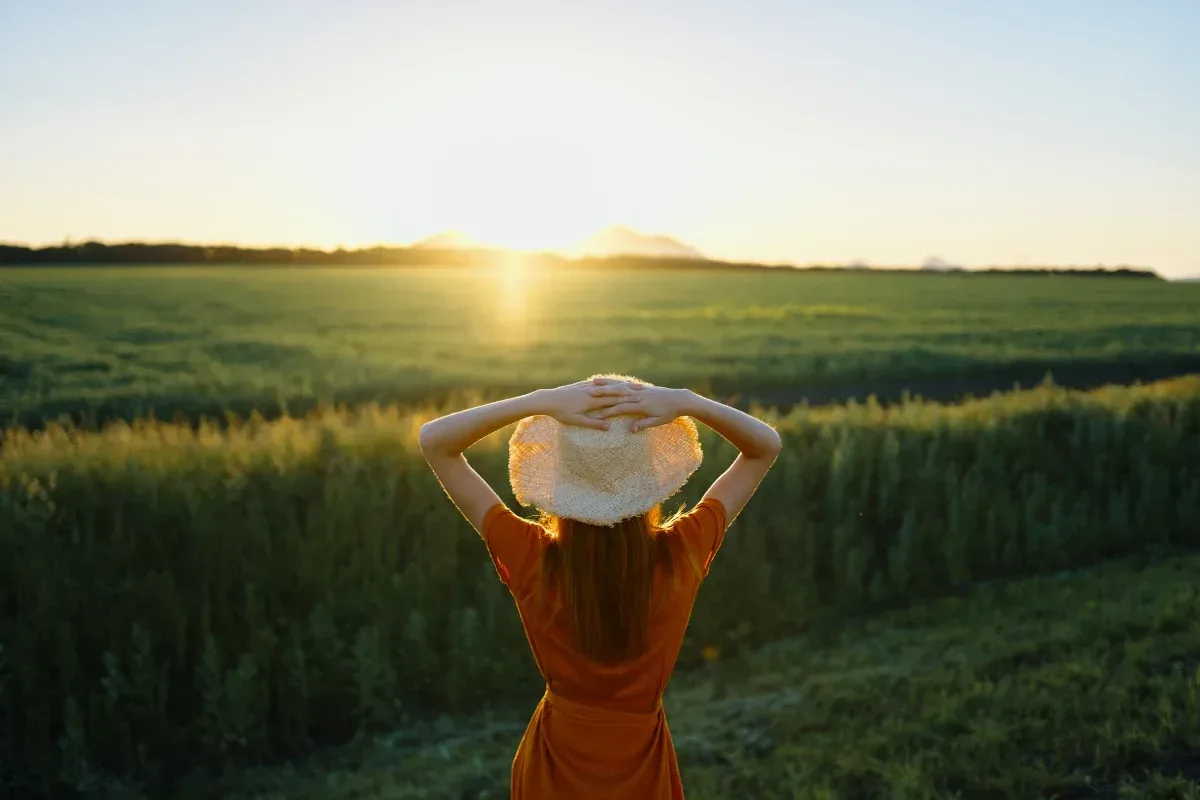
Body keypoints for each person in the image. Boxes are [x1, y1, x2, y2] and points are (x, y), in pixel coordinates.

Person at [418, 374, 782, 799]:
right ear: (648, 479)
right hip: (641, 764)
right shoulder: (681, 553)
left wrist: (541, 401)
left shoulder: (533, 557)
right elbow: (765, 447)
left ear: (562, 477)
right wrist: (688, 402)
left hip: (554, 766)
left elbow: (434, 441)